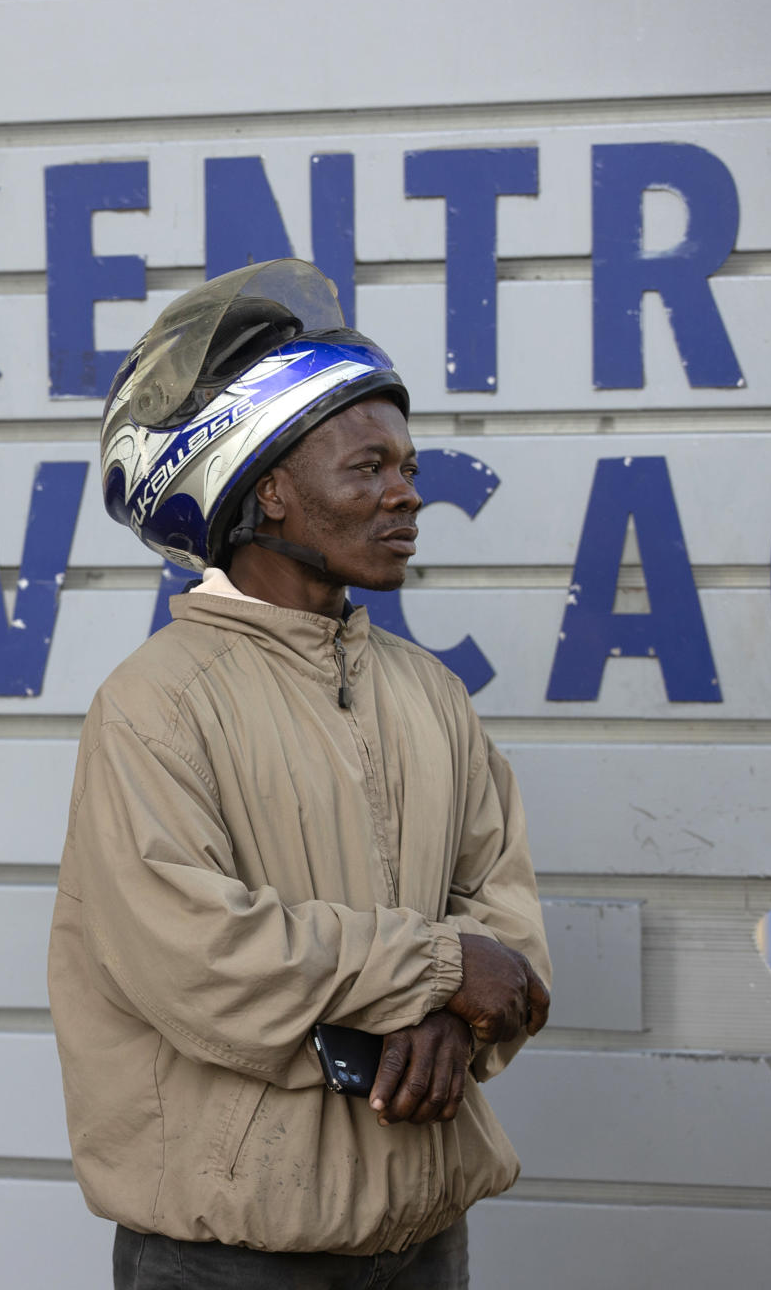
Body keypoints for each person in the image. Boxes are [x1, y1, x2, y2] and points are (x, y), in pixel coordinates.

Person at [48, 259, 551, 1289]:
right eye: (367, 468)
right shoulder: (155, 703)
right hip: (227, 1259)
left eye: (406, 465)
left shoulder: (433, 695)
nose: (407, 493)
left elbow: (509, 934)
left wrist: (456, 1017)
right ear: (266, 485)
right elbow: (197, 955)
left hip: (422, 1243)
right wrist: (443, 971)